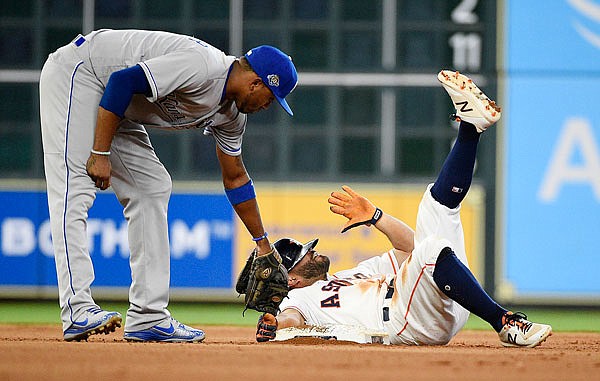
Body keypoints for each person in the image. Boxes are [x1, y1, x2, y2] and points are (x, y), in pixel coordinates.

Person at [256, 70, 552, 348]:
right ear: (291, 278)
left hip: (434, 305)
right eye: (302, 254)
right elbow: (289, 320)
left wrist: (376, 217)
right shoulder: (300, 299)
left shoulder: (354, 274)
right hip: (403, 323)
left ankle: (470, 127)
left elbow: (412, 247)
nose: (311, 252)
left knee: (435, 206)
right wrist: (275, 325)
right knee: (432, 248)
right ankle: (505, 321)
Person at [39, 29, 297, 342]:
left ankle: (148, 316)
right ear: (256, 82)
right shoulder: (203, 66)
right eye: (271, 98)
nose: (267, 106)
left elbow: (236, 177)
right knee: (74, 188)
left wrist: (263, 243)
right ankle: (77, 308)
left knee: (152, 186)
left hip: (118, 105)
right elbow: (122, 81)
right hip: (81, 72)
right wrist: (100, 152)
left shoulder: (232, 117)